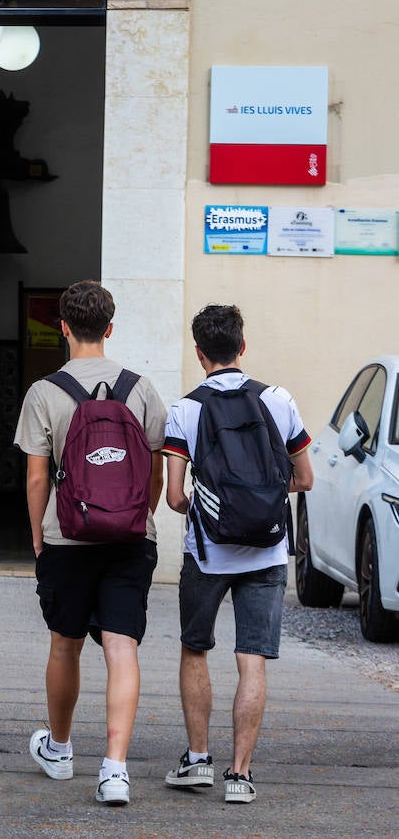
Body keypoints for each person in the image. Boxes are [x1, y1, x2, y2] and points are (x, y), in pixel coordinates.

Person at [13, 279, 166, 806]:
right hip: (129, 538)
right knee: (122, 647)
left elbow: (37, 478)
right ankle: (115, 769)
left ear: (63, 328)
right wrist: (136, 519)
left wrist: (38, 533)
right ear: (110, 327)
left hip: (66, 539)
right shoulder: (141, 389)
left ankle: (58, 749)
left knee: (65, 642)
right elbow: (154, 474)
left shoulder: (44, 391)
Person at [161, 304, 313, 804]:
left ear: (199, 352)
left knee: (195, 649)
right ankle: (240, 776)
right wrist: (261, 502)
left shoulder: (187, 409)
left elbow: (175, 497)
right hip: (268, 554)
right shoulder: (278, 399)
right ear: (242, 348)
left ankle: (198, 760)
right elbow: (304, 479)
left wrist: (215, 507)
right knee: (253, 661)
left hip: (207, 555)